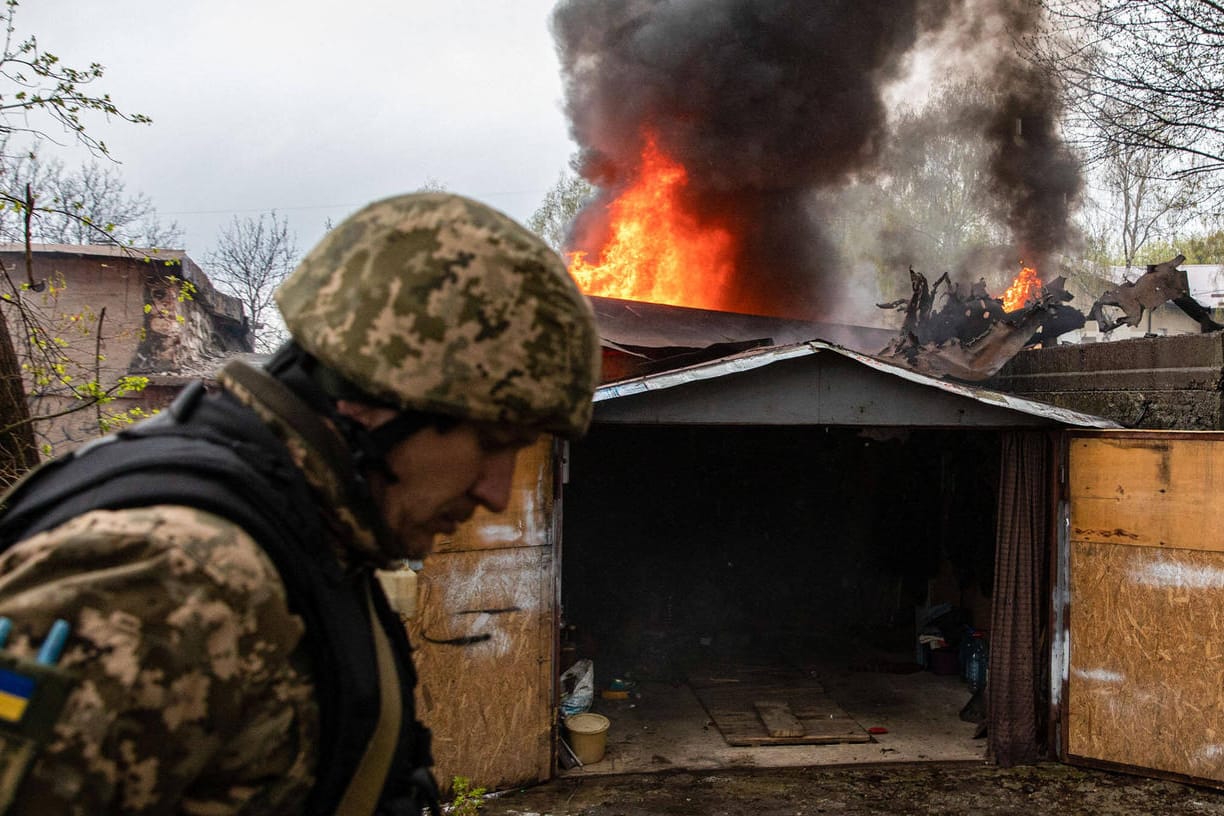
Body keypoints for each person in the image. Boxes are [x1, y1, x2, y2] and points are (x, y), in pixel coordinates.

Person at [0, 192, 602, 814]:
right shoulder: (165, 570)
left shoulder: (301, 536)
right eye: (491, 441)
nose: (495, 490)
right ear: (376, 399)